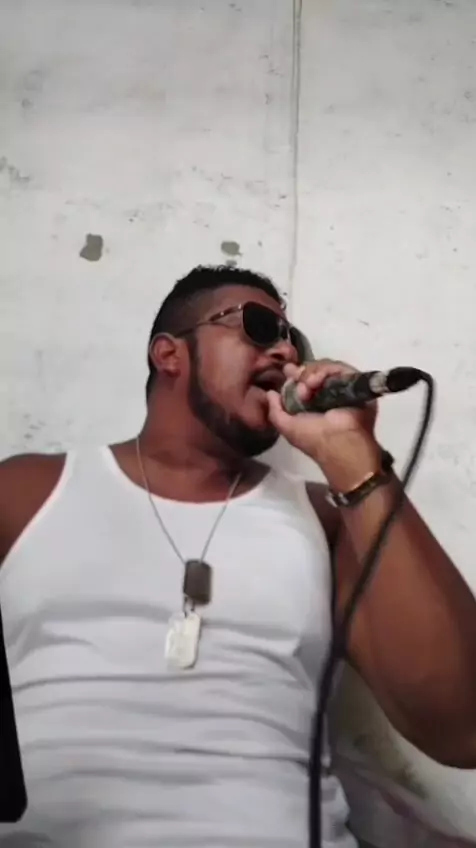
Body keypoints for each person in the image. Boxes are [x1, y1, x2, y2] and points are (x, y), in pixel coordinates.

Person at [0, 264, 475, 848]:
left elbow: (462, 727)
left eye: (293, 341)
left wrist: (352, 454)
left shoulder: (325, 517)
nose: (285, 352)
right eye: (259, 327)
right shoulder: (27, 491)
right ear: (169, 354)